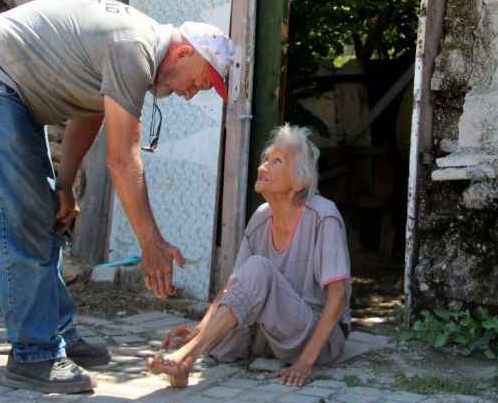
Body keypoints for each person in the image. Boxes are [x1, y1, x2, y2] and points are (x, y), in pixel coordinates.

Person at [0, 0, 233, 394]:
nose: (189, 94)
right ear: (182, 54)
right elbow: (122, 161)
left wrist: (65, 185)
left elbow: (88, 113)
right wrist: (151, 243)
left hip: (1, 88)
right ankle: (34, 354)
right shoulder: (134, 49)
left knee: (44, 214)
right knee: (22, 220)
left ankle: (55, 332)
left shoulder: (133, 51)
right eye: (198, 82)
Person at [147, 124, 352, 388]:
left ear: (300, 181)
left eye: (276, 161)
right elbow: (234, 288)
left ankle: (185, 359)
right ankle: (189, 353)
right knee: (224, 327)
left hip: (316, 336)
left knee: (258, 268)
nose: (263, 166)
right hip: (270, 333)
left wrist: (304, 364)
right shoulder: (261, 218)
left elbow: (338, 297)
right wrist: (200, 328)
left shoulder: (324, 216)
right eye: (265, 158)